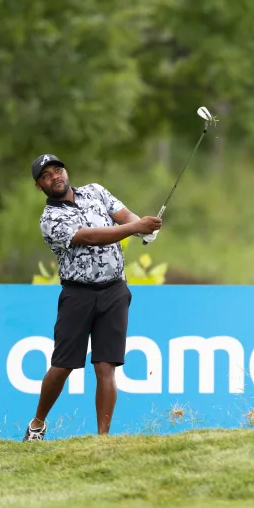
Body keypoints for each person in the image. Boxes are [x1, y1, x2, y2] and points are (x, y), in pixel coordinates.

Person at [23, 153, 163, 442]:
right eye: (46, 176)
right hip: (78, 294)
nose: (54, 177)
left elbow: (123, 215)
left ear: (65, 171)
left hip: (114, 290)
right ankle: (37, 424)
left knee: (105, 365)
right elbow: (90, 236)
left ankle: (102, 439)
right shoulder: (50, 220)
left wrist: (142, 228)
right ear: (39, 186)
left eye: (57, 170)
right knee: (62, 366)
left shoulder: (96, 191)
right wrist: (136, 228)